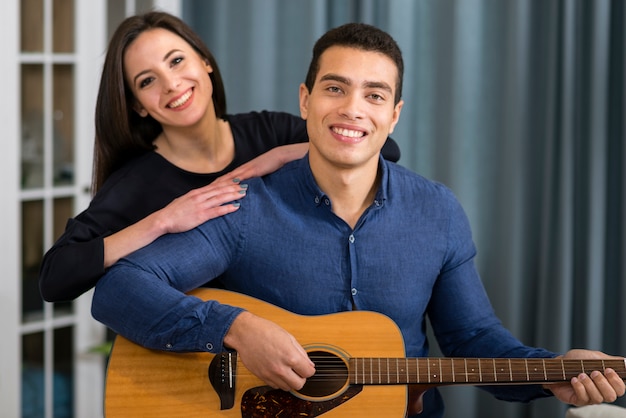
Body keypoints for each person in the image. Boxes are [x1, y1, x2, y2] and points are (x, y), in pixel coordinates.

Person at [91, 23, 625, 418]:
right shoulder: (244, 208)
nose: (352, 109)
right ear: (305, 101)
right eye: (334, 88)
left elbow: (472, 337)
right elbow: (117, 291)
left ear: (393, 115)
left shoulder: (437, 211)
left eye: (374, 95)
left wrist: (552, 371)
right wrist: (235, 329)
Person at [38, 12, 400, 303]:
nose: (171, 84)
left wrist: (275, 156)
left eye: (177, 61)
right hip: (198, 361)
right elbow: (55, 278)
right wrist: (162, 221)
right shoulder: (136, 184)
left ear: (205, 61)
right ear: (138, 106)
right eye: (148, 81)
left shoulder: (268, 134)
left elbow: (384, 149)